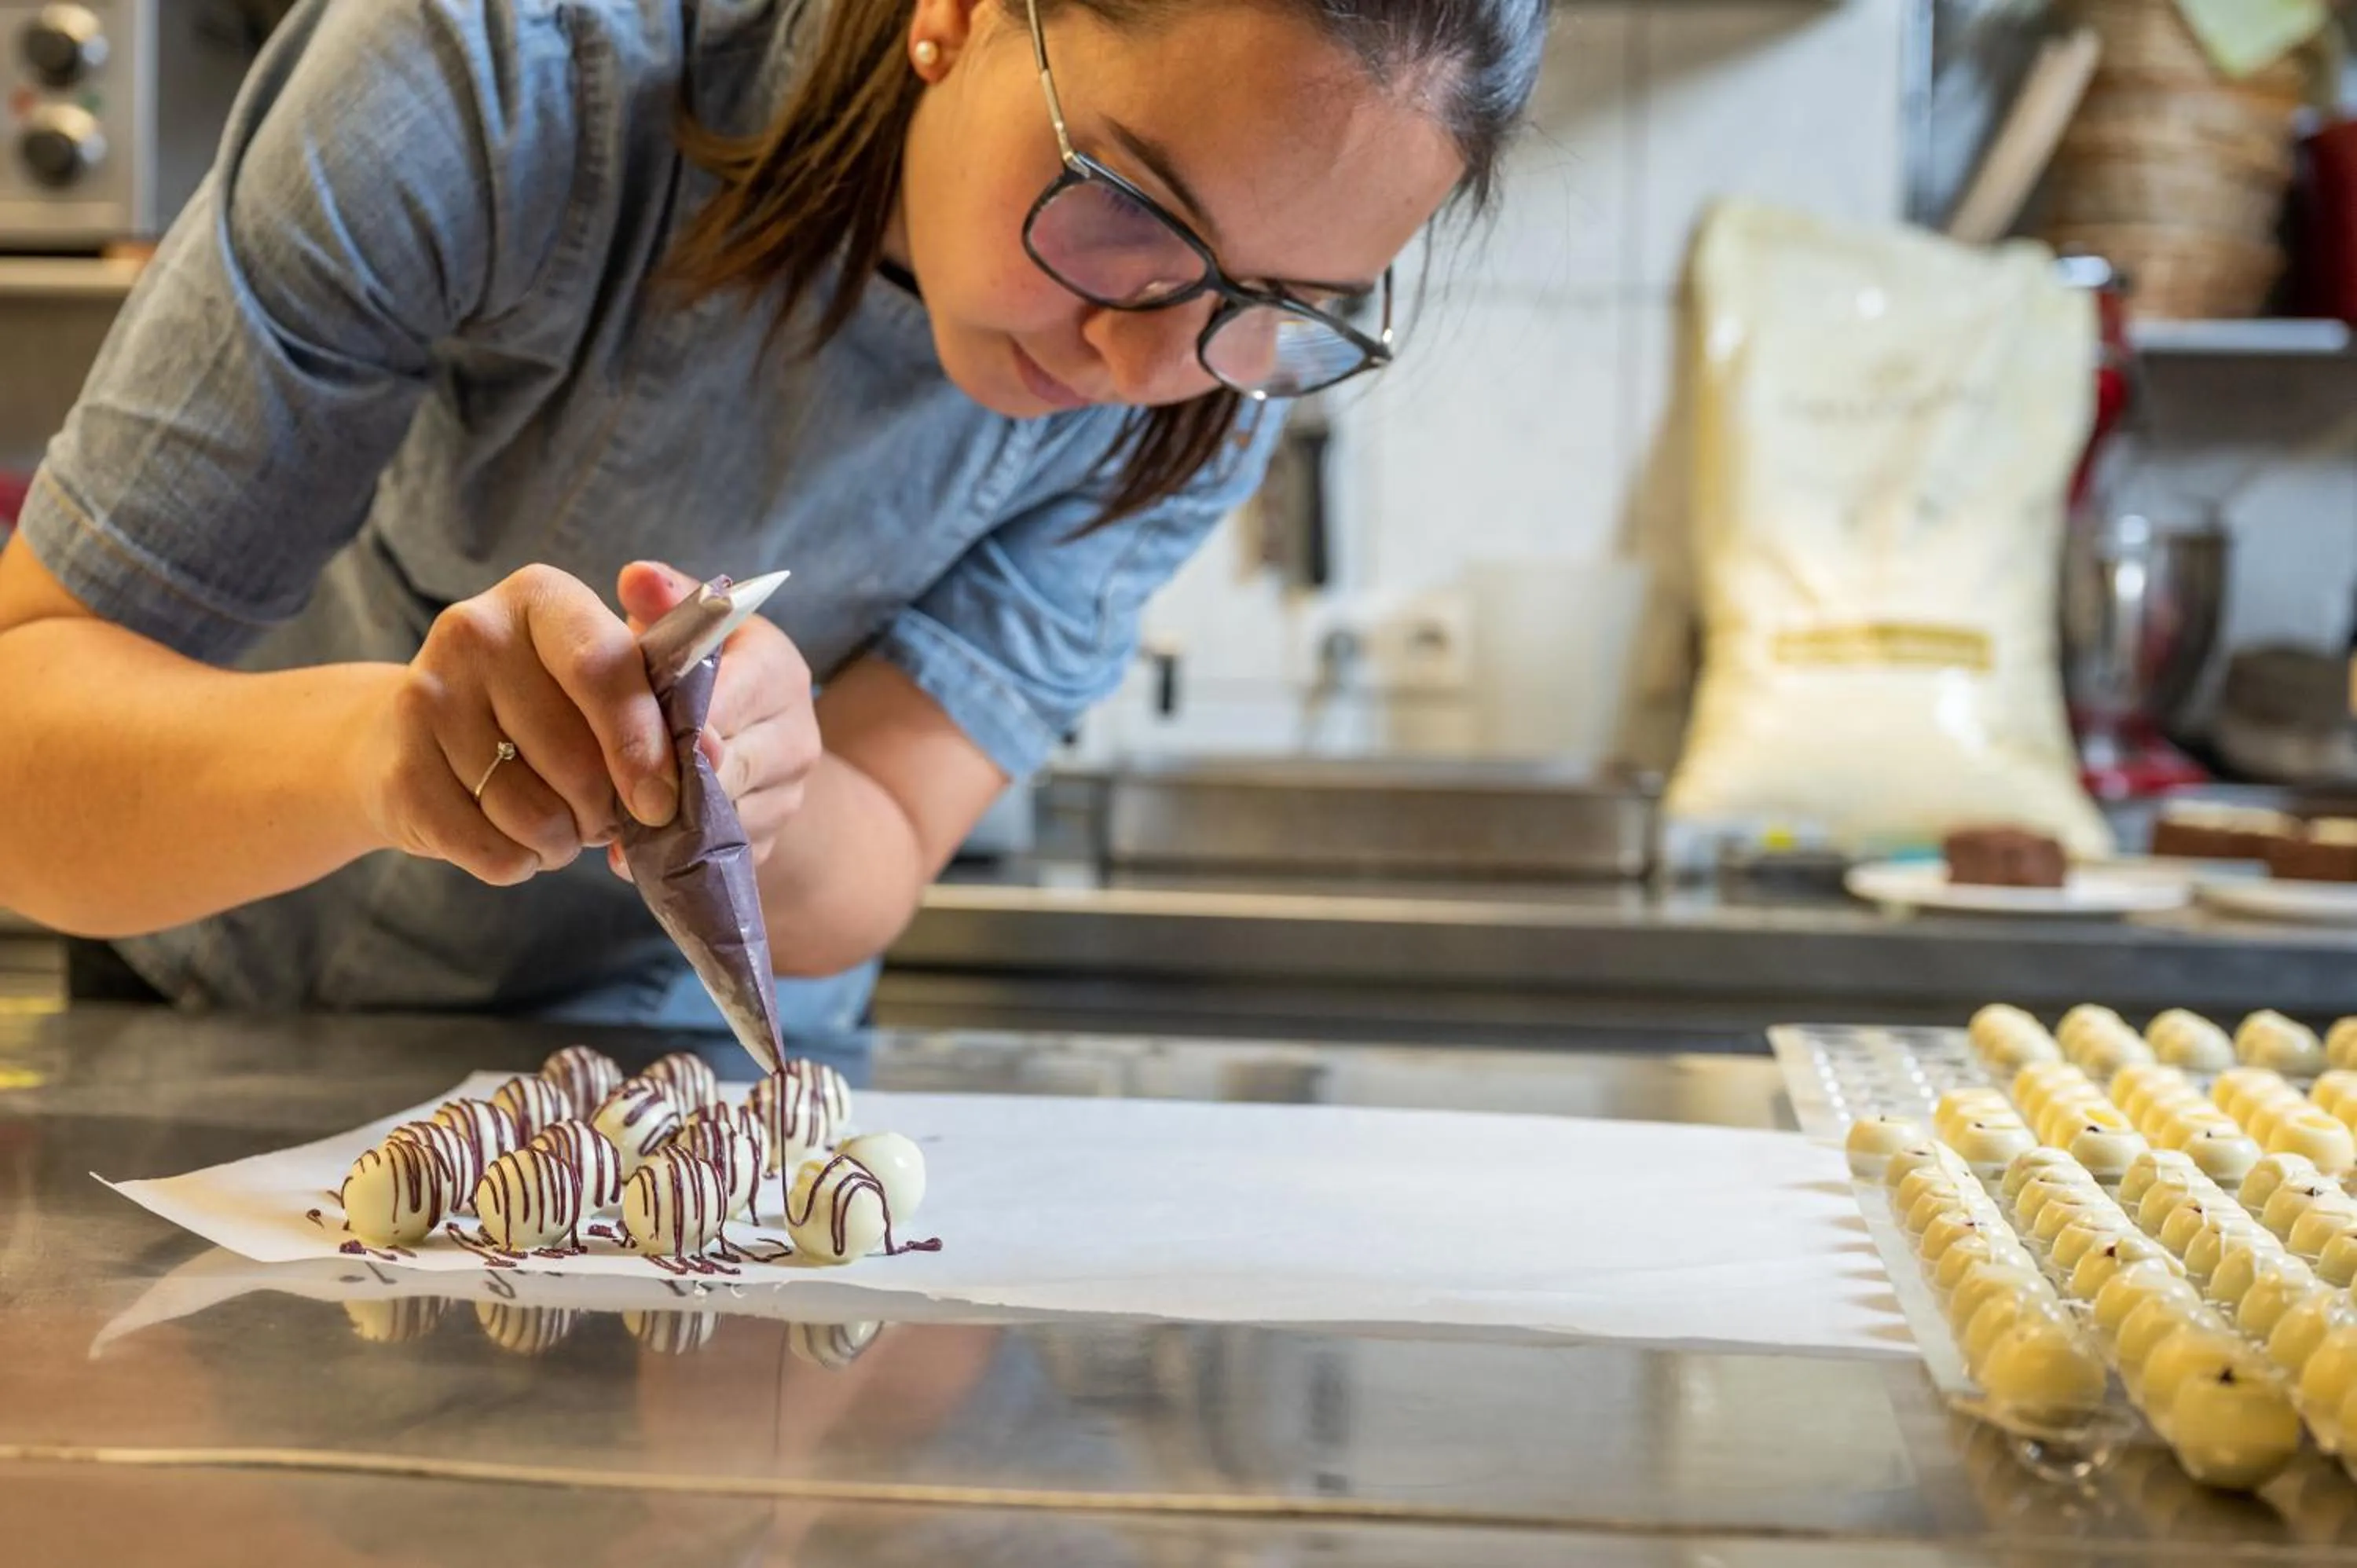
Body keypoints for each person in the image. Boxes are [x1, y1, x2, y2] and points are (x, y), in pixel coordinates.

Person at [0, 0, 1545, 1036]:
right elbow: (26, 755)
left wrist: (750, 794)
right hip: (234, 1023)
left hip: (695, 1109)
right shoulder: (495, 77)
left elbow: (877, 840)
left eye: (1282, 298)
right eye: (1127, 206)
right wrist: (396, 754)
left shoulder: (1212, 386)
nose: (1139, 362)